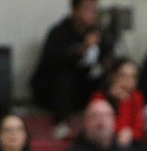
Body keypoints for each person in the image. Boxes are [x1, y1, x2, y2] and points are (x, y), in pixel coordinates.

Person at [30, 0, 111, 135]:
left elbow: (107, 59)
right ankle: (61, 125)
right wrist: (83, 48)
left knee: (105, 79)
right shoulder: (59, 33)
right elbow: (55, 63)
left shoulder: (99, 34)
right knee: (63, 78)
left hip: (82, 89)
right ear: (75, 10)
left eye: (94, 10)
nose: (92, 14)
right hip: (53, 91)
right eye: (87, 9)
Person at [92, 58, 145, 148]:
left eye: (133, 77)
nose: (128, 80)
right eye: (123, 76)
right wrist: (118, 101)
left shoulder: (136, 97)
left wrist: (130, 133)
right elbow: (101, 129)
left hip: (127, 144)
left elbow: (139, 129)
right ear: (113, 76)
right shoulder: (100, 97)